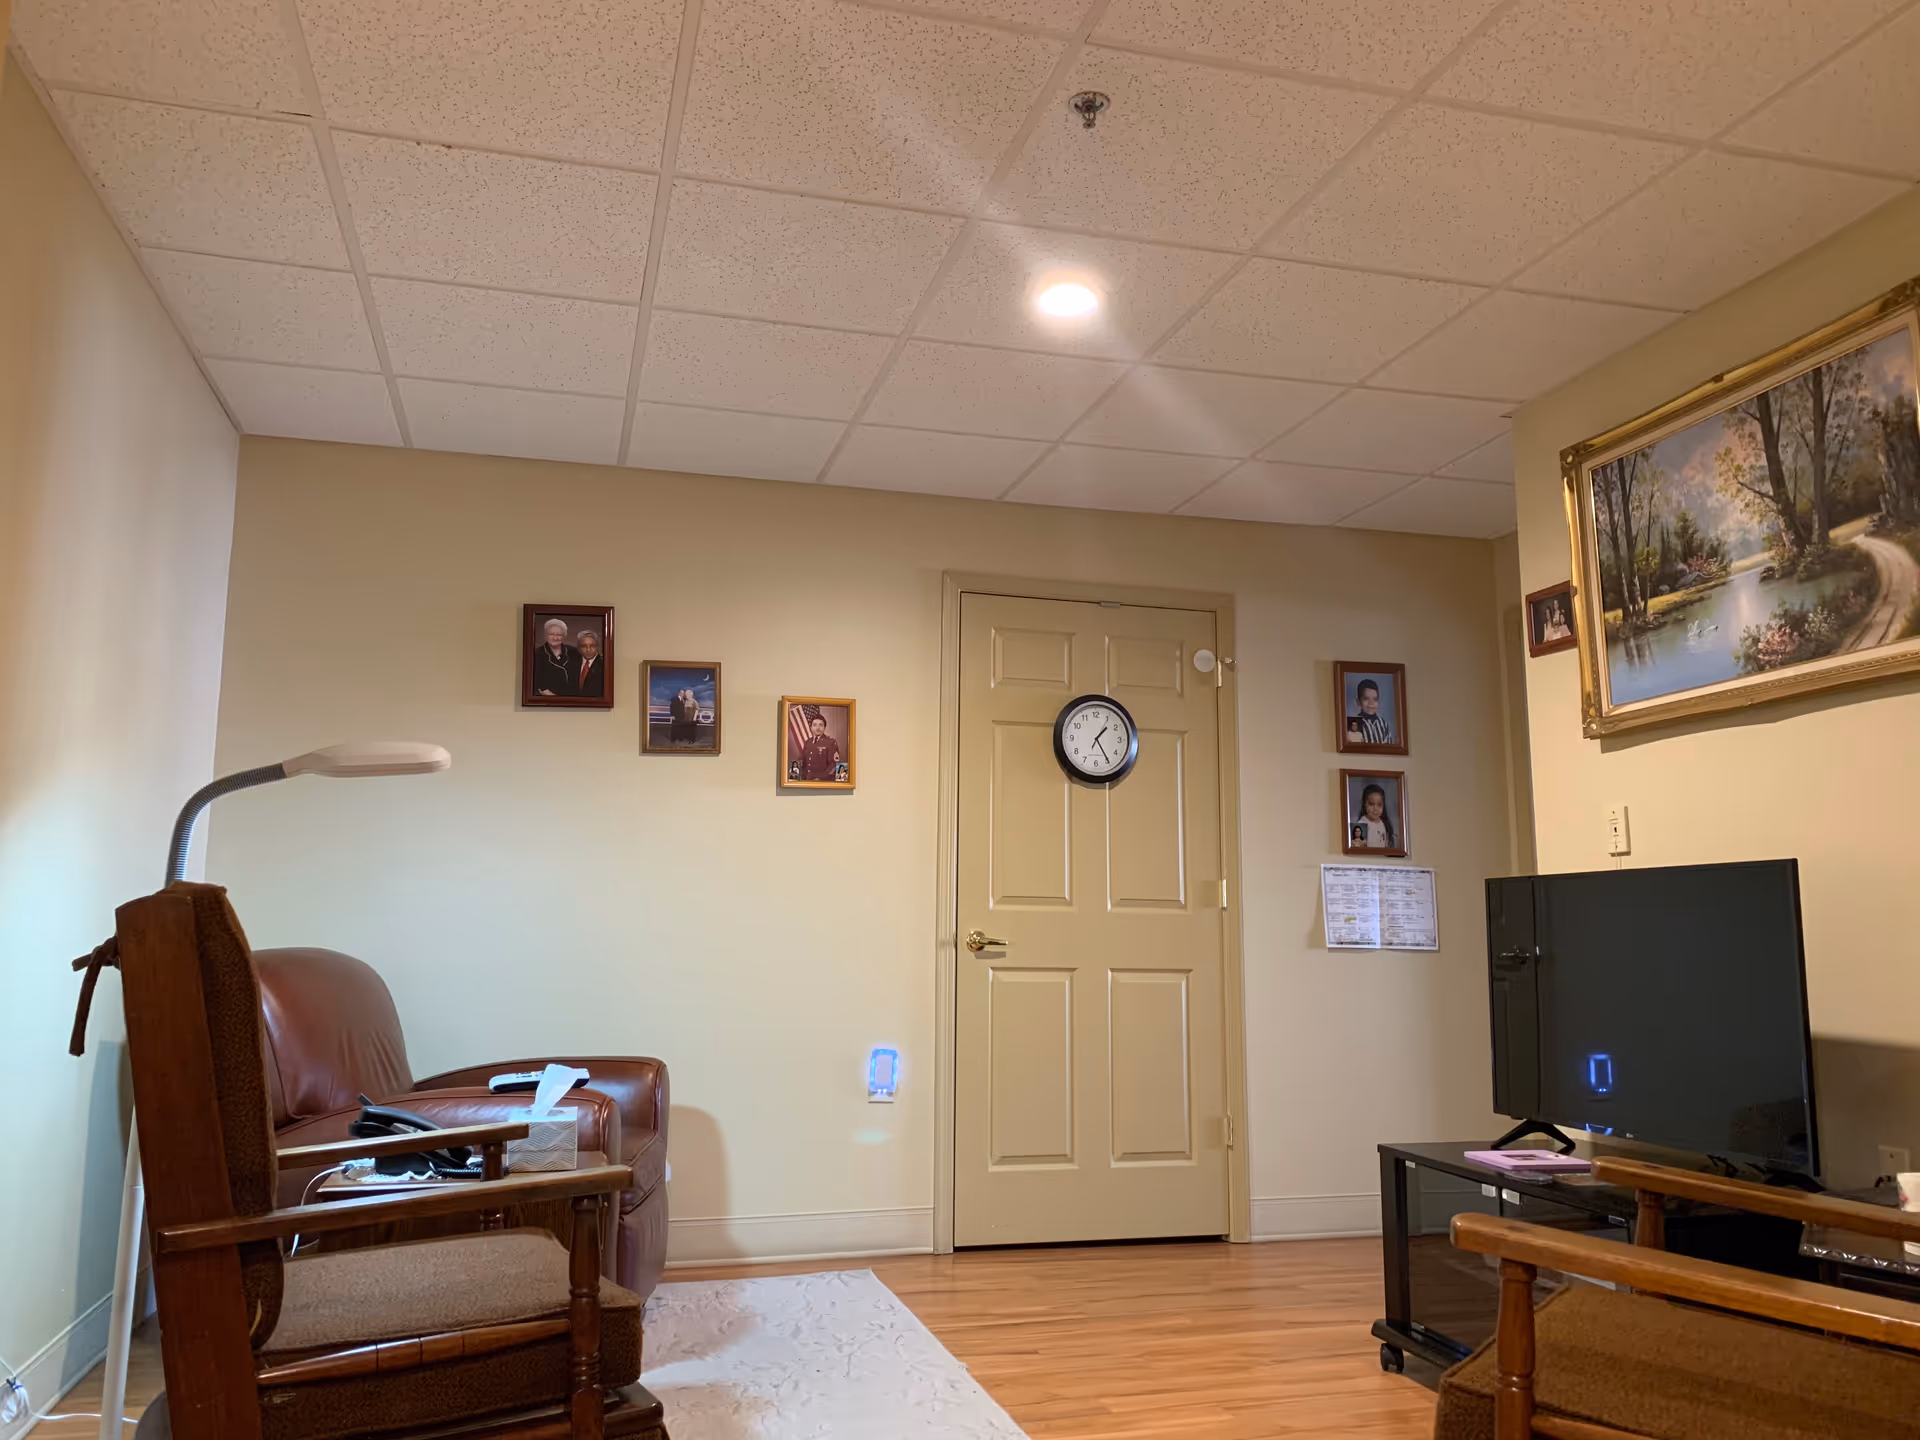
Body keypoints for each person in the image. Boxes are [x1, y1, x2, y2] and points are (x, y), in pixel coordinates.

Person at [533, 618, 577, 697]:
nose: (555, 638)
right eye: (551, 634)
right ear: (546, 635)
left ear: (564, 636)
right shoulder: (537, 653)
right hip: (548, 698)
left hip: (573, 698)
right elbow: (539, 685)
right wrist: (557, 700)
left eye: (559, 635)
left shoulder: (573, 651)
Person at [1345, 678, 1393, 745]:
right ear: (1358, 702)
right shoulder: (1355, 724)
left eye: (1375, 699)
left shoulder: (1384, 724)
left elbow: (1389, 747)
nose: (1371, 703)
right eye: (1366, 699)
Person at [797, 711, 842, 782]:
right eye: (815, 725)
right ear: (811, 728)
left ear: (824, 728)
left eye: (821, 725)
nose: (818, 728)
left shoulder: (831, 742)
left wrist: (821, 779)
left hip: (822, 782)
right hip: (807, 781)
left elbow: (834, 765)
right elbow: (801, 761)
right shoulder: (807, 742)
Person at [1352, 782, 1397, 850]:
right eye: (1371, 804)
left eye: (1379, 804)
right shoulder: (1361, 824)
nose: (1375, 808)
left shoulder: (1384, 823)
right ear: (1364, 804)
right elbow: (1358, 848)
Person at [574, 629, 605, 698]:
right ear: (578, 648)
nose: (588, 649)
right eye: (584, 646)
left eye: (592, 646)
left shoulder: (605, 666)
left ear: (598, 647)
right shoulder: (573, 664)